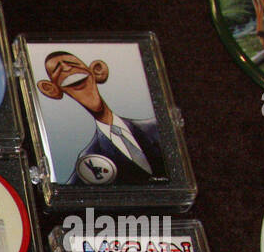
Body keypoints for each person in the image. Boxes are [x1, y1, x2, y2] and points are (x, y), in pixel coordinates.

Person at [35, 51, 166, 185]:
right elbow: (73, 195)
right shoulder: (88, 159)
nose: (67, 68)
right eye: (57, 70)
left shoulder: (157, 127)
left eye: (72, 64)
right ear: (52, 89)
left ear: (97, 70)